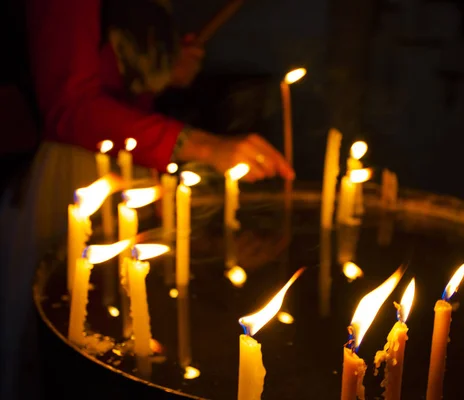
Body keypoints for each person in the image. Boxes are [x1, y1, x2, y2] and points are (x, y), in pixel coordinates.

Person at [0, 0, 293, 398]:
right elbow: (68, 107)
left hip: (134, 166)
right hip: (78, 170)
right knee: (71, 331)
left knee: (130, 324)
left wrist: (164, 70)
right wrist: (201, 144)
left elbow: (118, 78)